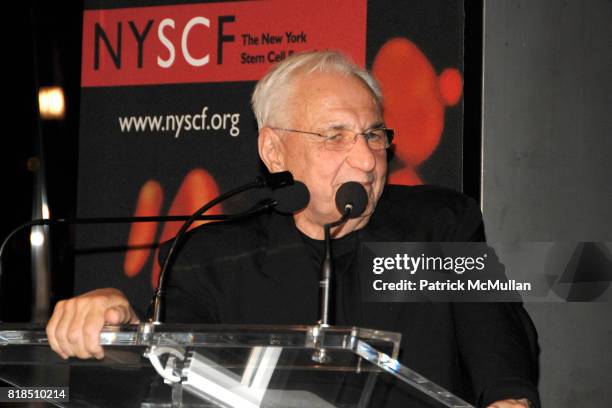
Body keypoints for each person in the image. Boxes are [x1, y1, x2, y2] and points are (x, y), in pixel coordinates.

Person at [46, 51, 539, 407]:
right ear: (274, 151)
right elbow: (166, 369)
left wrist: (510, 399)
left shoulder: (440, 226)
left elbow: (498, 341)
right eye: (335, 136)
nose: (367, 159)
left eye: (373, 134)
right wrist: (119, 331)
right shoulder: (210, 257)